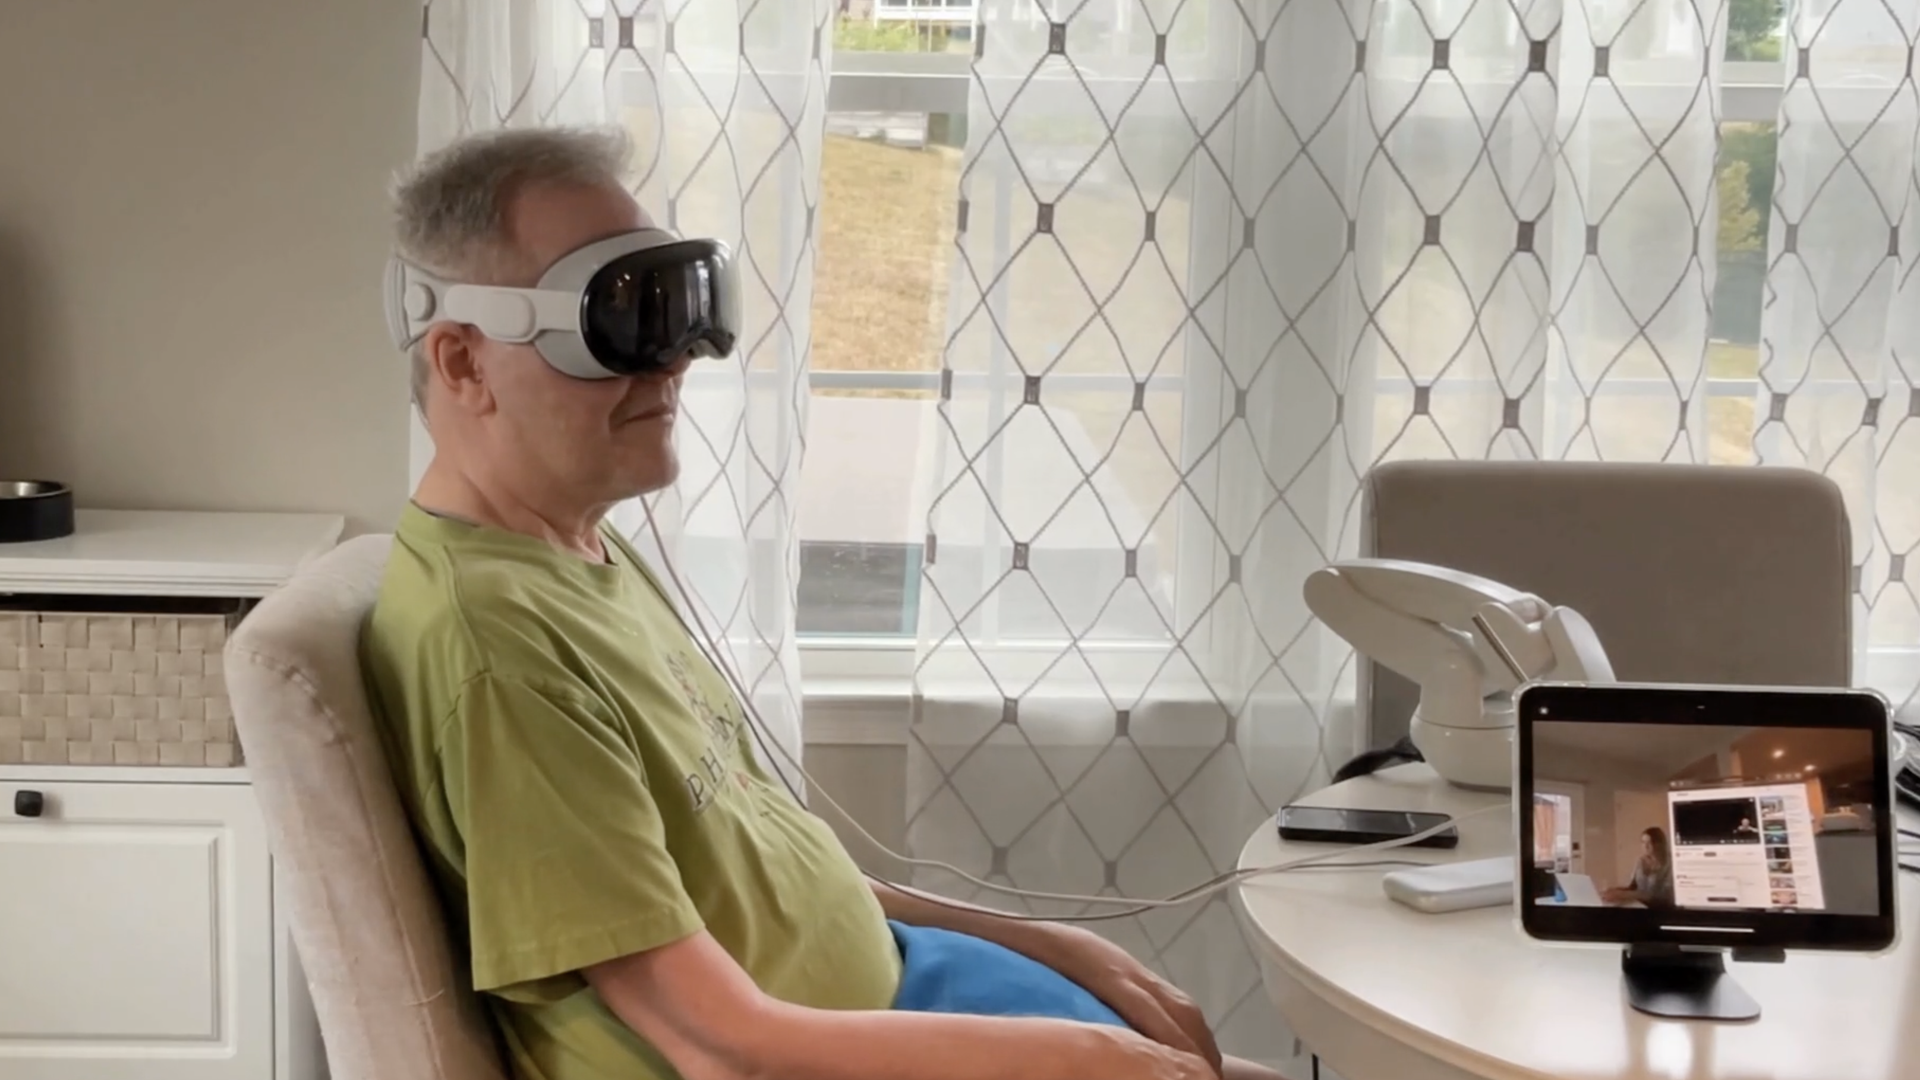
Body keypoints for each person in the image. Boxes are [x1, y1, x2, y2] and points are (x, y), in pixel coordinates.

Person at [361, 125, 1293, 1080]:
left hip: (901, 988)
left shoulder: (572, 550)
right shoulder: (500, 656)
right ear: (464, 362)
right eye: (622, 320)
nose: (677, 362)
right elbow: (722, 1045)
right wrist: (1085, 1056)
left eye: (682, 307)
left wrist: (1050, 945)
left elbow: (757, 865)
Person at [1601, 826, 1675, 908]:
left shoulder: (1670, 864)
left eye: (1649, 842)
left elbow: (1661, 896)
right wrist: (1616, 891)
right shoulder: (1640, 861)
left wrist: (1623, 894)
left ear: (1659, 843)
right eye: (1643, 842)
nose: (1645, 846)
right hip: (1639, 906)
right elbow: (1633, 887)